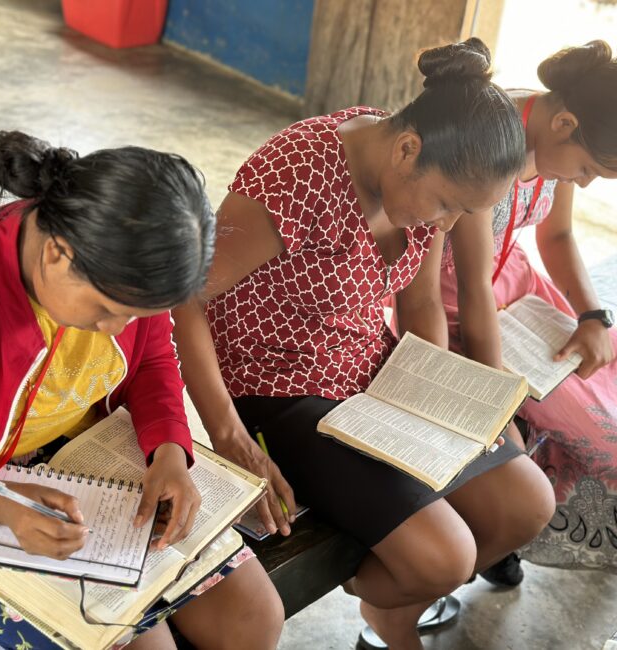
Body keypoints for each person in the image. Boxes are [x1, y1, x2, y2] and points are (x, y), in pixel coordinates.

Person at [172, 38, 555, 650]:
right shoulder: (298, 173)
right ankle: (388, 599)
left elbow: (423, 304)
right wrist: (229, 435)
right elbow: (185, 293)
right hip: (282, 390)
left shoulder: (420, 177)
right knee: (445, 556)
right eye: (449, 206)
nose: (449, 226)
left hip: (373, 376)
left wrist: (443, 402)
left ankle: (389, 615)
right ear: (408, 150)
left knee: (525, 503)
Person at [0, 131, 284, 650]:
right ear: (56, 254)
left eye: (135, 315)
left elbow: (154, 359)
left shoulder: (126, 271)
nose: (116, 330)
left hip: (87, 461)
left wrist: (168, 449)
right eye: (107, 309)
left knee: (255, 616)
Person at [439, 40, 617, 582]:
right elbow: (471, 287)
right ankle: (503, 526)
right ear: (565, 123)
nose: (583, 182)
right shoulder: (492, 144)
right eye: (588, 168)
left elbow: (559, 234)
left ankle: (506, 531)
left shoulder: (552, 138)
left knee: (612, 367)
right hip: (462, 309)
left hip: (519, 287)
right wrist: (496, 387)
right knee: (601, 439)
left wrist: (593, 316)